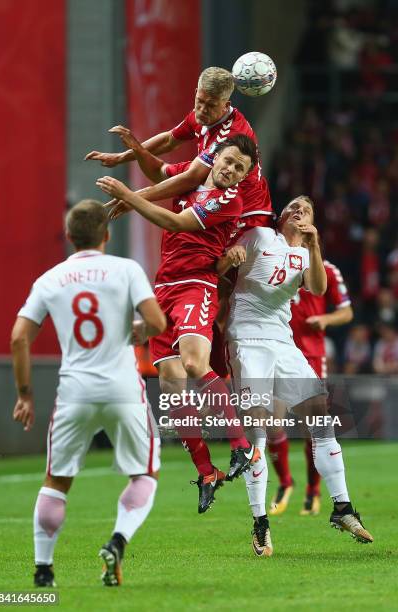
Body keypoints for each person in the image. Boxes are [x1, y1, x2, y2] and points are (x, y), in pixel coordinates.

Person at [96, 134, 261, 514]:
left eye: (240, 168)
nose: (231, 170)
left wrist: (130, 194)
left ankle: (240, 445)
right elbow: (159, 171)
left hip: (196, 285)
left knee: (193, 364)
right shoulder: (191, 181)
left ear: (242, 178)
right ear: (214, 158)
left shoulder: (228, 199)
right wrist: (136, 149)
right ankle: (206, 471)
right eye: (229, 161)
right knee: (172, 393)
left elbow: (174, 220)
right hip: (164, 288)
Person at [11, 200, 166, 588]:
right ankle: (117, 540)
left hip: (75, 392)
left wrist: (25, 394)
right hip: (122, 388)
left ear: (68, 237)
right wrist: (140, 331)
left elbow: (18, 338)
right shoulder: (126, 269)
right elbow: (157, 321)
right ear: (107, 234)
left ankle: (43, 571)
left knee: (56, 481)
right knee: (144, 473)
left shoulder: (50, 279)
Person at [219, 195, 373, 556]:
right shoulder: (258, 236)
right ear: (283, 215)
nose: (301, 210)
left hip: (284, 342)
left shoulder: (306, 255)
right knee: (257, 432)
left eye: (308, 209)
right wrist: (229, 259)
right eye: (295, 206)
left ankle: (342, 507)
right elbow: (217, 270)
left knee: (322, 418)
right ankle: (260, 522)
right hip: (247, 338)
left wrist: (315, 244)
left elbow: (317, 288)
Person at [85, 65, 274, 232]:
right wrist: (121, 157)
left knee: (180, 219)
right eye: (199, 101)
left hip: (248, 217)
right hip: (216, 198)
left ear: (226, 105)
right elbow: (169, 140)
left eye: (211, 105)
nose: (202, 109)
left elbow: (191, 178)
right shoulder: (201, 116)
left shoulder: (230, 135)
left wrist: (133, 198)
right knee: (164, 174)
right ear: (196, 92)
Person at [267, 260, 353, 517]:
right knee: (272, 424)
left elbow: (346, 311)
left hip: (311, 356)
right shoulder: (275, 259)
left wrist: (326, 318)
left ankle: (313, 490)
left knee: (313, 429)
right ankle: (284, 483)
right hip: (278, 352)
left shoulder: (326, 269)